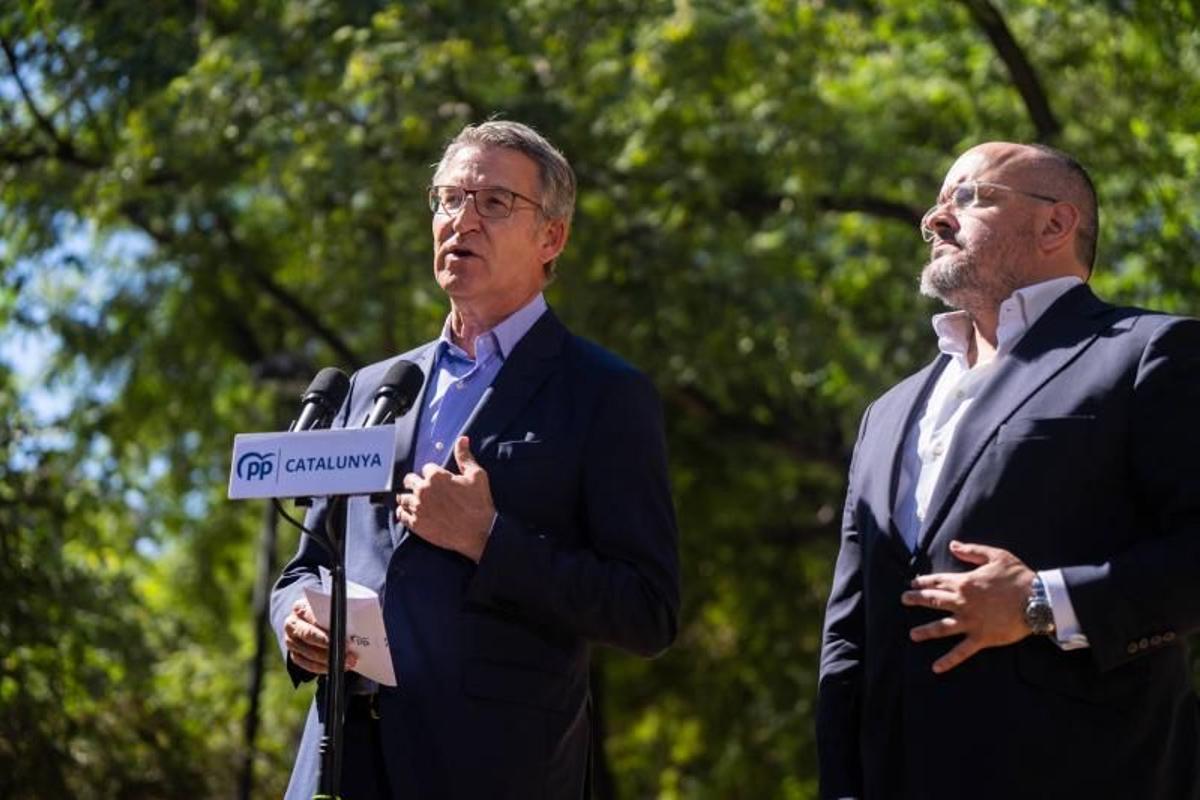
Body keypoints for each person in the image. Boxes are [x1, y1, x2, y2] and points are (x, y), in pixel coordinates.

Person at [270, 120, 680, 800]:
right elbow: (309, 560)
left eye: (494, 202)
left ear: (552, 238)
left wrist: (487, 539)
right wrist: (295, 619)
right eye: (448, 198)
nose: (462, 219)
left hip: (493, 766)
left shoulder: (604, 394)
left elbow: (647, 611)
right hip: (341, 756)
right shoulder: (374, 387)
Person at [817, 142, 1200, 799]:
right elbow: (850, 631)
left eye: (970, 197)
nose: (937, 219)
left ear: (1056, 224)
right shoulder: (888, 411)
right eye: (937, 203)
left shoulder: (1148, 355)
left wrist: (1040, 603)